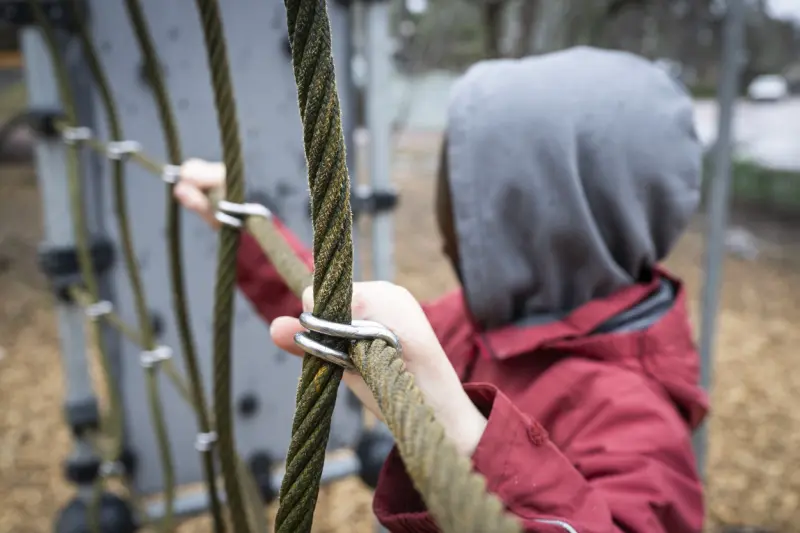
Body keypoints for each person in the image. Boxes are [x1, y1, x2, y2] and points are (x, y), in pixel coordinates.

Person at [175, 46, 707, 533]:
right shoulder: (489, 321)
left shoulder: (637, 421)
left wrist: (459, 429)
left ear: (544, 223)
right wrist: (248, 230)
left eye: (474, 207)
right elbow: (341, 318)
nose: (451, 231)